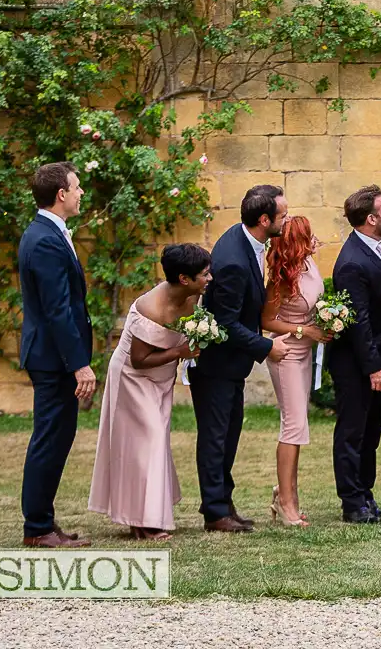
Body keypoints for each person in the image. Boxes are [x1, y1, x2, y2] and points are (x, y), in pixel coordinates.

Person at [88, 244, 211, 540]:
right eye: (205, 274)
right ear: (184, 278)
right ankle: (143, 522)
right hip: (133, 378)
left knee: (152, 444)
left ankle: (145, 513)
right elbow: (138, 360)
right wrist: (181, 350)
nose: (210, 278)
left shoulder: (194, 294)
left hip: (161, 377)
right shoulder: (150, 308)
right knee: (145, 443)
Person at [189, 185, 289, 533]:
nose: (286, 220)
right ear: (264, 220)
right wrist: (266, 347)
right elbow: (225, 322)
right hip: (216, 365)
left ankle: (223, 504)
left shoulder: (247, 240)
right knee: (216, 438)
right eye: (282, 216)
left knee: (228, 435)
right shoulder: (233, 260)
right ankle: (215, 511)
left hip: (229, 366)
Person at [17, 161, 95, 548]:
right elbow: (57, 309)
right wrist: (79, 364)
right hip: (52, 359)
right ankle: (38, 528)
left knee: (56, 437)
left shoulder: (49, 232)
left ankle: (43, 522)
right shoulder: (45, 239)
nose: (82, 193)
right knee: (49, 439)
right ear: (61, 194)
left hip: (51, 356)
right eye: (77, 187)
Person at [328, 185, 381, 524]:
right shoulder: (351, 262)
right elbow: (358, 321)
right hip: (355, 363)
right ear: (371, 219)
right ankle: (351, 502)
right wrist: (374, 366)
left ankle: (366, 495)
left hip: (379, 355)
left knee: (371, 431)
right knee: (353, 432)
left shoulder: (376, 248)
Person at [263, 216, 331, 528]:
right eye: (309, 236)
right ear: (297, 243)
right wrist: (307, 331)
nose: (315, 239)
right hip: (286, 353)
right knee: (292, 426)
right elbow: (268, 321)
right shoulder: (280, 278)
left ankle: (287, 492)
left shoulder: (308, 267)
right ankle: (286, 502)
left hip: (305, 353)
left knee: (299, 426)